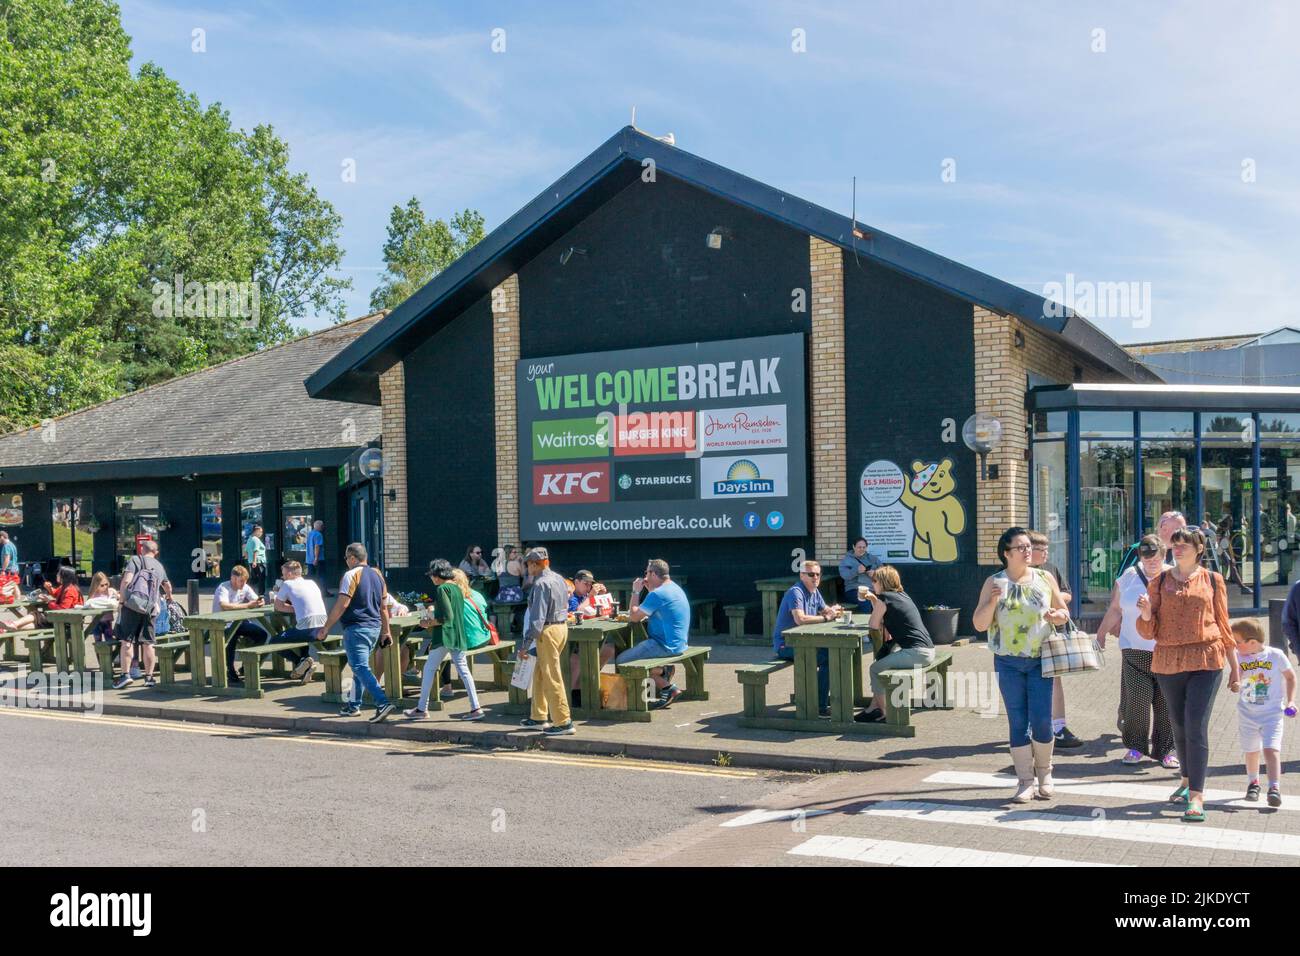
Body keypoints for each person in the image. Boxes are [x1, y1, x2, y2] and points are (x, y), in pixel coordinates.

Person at [1136, 525, 1242, 822]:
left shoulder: (1212, 580)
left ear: (1199, 549)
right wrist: (1145, 613)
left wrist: (1236, 667)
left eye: (1185, 544)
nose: (1178, 548)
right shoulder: (1158, 582)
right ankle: (1185, 779)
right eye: (1176, 543)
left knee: (1196, 726)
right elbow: (1148, 629)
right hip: (1169, 659)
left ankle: (1197, 794)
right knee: (1179, 725)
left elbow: (1223, 623)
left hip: (1206, 659)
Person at [972, 527, 1071, 804]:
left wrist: (1056, 614)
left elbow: (1064, 613)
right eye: (1021, 547)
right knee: (1018, 722)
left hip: (1041, 659)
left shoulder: (1044, 577)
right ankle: (1025, 781)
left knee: (1041, 720)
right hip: (1008, 662)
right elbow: (979, 624)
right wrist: (993, 600)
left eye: (1029, 546)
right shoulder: (994, 581)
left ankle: (1045, 775)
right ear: (1006, 553)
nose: (1028, 551)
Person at [1096, 534, 1178, 768]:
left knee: (1166, 703)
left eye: (1156, 556)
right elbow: (1115, 608)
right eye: (1146, 556)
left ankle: (1167, 750)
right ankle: (1135, 747)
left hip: (1165, 650)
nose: (1151, 560)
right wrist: (1101, 633)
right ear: (1140, 556)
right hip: (1134, 649)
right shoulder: (1128, 577)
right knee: (1137, 701)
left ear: (1164, 554)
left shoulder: (1174, 576)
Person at [597, 558, 692, 709]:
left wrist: (635, 591)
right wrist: (649, 591)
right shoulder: (673, 587)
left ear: (653, 574)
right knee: (636, 654)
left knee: (622, 661)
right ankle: (662, 671)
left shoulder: (658, 594)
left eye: (646, 573)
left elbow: (634, 617)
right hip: (679, 643)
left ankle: (668, 688)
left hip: (664, 644)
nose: (645, 576)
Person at [316, 542, 394, 722]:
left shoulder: (351, 575)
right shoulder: (377, 576)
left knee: (359, 667)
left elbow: (342, 603)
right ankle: (353, 706)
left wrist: (326, 627)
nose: (346, 561)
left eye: (346, 558)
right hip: (374, 627)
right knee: (361, 666)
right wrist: (386, 631)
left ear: (352, 558)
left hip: (357, 627)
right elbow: (384, 607)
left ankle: (382, 702)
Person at [403, 560, 487, 721]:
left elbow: (446, 618)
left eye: (432, 575)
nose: (431, 579)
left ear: (437, 575)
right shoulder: (456, 588)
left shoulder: (442, 589)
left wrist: (428, 622)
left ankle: (422, 708)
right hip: (457, 635)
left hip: (444, 636)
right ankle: (476, 708)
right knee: (464, 671)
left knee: (428, 670)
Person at [855, 565, 935, 723]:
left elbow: (873, 624)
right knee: (883, 660)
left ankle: (886, 713)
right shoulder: (901, 595)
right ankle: (872, 708)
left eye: (874, 580)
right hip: (927, 650)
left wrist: (875, 600)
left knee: (875, 669)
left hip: (916, 653)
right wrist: (872, 599)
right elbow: (883, 615)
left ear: (883, 582)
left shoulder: (885, 598)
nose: (872, 584)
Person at [1231, 618, 1294, 807]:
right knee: (1251, 751)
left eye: (1237, 642)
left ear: (1252, 642)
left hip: (1272, 714)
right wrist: (1235, 685)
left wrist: (1291, 701)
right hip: (1247, 714)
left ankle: (1274, 787)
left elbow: (1290, 677)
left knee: (1271, 750)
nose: (1235, 645)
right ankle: (1253, 783)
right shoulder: (1239, 657)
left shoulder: (1275, 655)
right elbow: (1235, 681)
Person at [1028, 529, 1081, 749]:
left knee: (1055, 678)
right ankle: (1032, 728)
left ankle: (1059, 727)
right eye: (1040, 549)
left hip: (1051, 633)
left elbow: (1066, 594)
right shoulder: (1017, 573)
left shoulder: (1050, 570)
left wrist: (1054, 600)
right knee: (1029, 682)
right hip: (1026, 638)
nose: (1045, 553)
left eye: (1047, 548)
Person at [771, 560, 843, 717]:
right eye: (811, 574)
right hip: (786, 645)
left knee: (837, 653)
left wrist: (833, 610)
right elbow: (800, 619)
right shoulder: (795, 592)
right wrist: (826, 618)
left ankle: (821, 700)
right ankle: (818, 707)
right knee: (830, 659)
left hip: (805, 643)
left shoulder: (815, 591)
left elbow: (825, 610)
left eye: (818, 574)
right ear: (802, 575)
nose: (815, 577)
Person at [518, 547, 574, 735]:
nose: (527, 568)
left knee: (551, 675)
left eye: (528, 564)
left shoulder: (541, 584)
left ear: (534, 564)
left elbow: (536, 620)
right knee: (540, 672)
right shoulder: (558, 578)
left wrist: (524, 646)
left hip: (547, 631)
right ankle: (538, 716)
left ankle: (563, 721)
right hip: (561, 627)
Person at [113, 539, 168, 689]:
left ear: (142, 549)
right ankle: (149, 677)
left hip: (132, 605)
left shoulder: (135, 560)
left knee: (127, 640)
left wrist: (122, 602)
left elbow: (126, 582)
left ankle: (125, 675)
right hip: (151, 608)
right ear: (156, 552)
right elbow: (167, 586)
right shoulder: (159, 566)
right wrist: (169, 597)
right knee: (148, 642)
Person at [213, 565, 273, 687]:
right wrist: (248, 605)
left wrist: (260, 601)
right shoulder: (223, 588)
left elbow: (255, 599)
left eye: (245, 581)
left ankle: (247, 666)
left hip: (239, 622)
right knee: (231, 637)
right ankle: (230, 671)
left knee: (262, 635)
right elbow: (224, 605)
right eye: (241, 581)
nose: (243, 584)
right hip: (222, 624)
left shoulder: (245, 586)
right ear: (233, 578)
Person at [272, 560, 329, 684]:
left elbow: (278, 606)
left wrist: (278, 592)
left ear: (291, 574)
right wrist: (297, 608)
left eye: (284, 574)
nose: (283, 577)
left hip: (308, 631)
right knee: (298, 631)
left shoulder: (287, 584)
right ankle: (305, 662)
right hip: (324, 628)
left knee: (273, 642)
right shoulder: (312, 582)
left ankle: (301, 662)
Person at [839, 538, 880, 611]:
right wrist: (856, 571)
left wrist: (875, 573)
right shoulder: (846, 560)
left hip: (872, 589)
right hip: (854, 589)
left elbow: (884, 573)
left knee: (885, 600)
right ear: (854, 547)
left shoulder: (873, 558)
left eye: (864, 547)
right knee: (865, 601)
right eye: (859, 547)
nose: (862, 549)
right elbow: (844, 575)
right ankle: (866, 621)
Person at [243, 525, 267, 593]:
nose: (261, 533)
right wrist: (254, 561)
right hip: (259, 561)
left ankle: (249, 592)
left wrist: (250, 560)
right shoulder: (256, 539)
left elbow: (245, 551)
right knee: (261, 578)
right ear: (256, 531)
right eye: (261, 532)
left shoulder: (250, 539)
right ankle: (261, 593)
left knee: (254, 579)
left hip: (252, 562)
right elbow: (255, 550)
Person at [306, 520, 328, 593]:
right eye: (322, 526)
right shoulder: (318, 534)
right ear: (319, 526)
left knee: (311, 576)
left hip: (309, 559)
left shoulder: (310, 534)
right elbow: (317, 546)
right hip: (318, 559)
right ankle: (324, 592)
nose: (323, 527)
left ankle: (309, 591)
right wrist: (316, 558)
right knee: (322, 575)